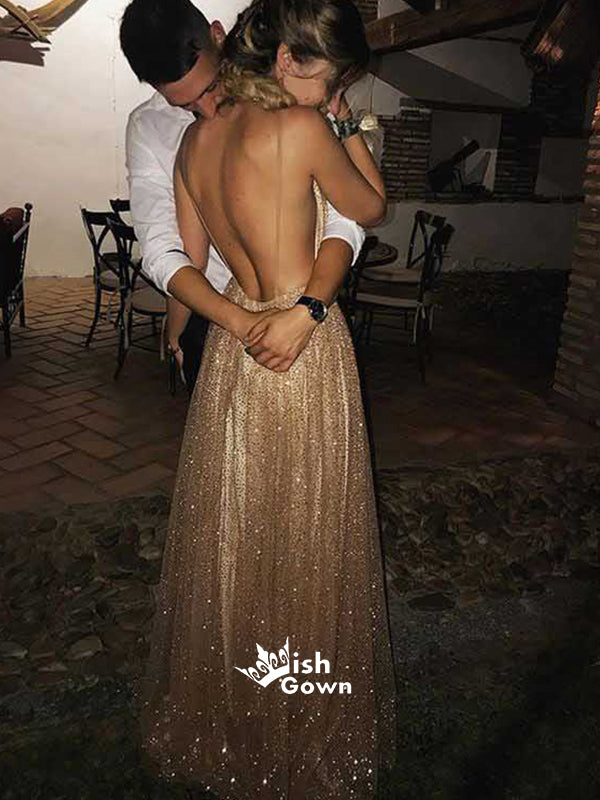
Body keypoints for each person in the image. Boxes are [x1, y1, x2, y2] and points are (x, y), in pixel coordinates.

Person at [126, 0, 398, 797]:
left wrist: (184, 328)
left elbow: (185, 259)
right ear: (287, 60)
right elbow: (370, 210)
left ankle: (234, 707)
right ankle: (300, 716)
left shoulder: (192, 146)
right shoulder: (304, 128)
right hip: (304, 351)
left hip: (236, 355)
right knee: (309, 538)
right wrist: (344, 121)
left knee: (236, 540)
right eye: (325, 73)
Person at [121, 0, 365, 390]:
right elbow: (165, 249)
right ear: (154, 87)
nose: (207, 108)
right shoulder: (147, 127)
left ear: (218, 36)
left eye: (210, 87)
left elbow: (345, 216)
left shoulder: (288, 91)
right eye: (184, 104)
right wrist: (187, 329)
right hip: (213, 315)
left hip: (305, 312)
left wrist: (309, 309)